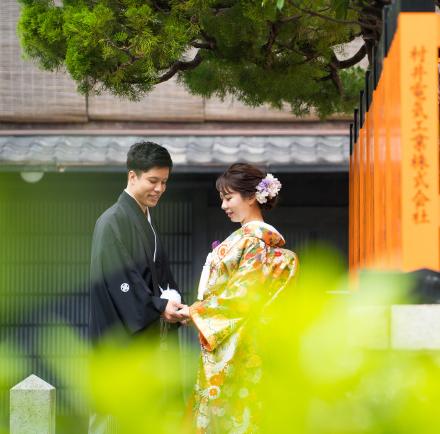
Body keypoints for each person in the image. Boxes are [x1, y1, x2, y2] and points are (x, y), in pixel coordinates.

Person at [184, 163, 299, 434]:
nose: (224, 205)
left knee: (231, 414)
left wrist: (195, 312)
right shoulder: (254, 240)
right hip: (234, 337)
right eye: (222, 199)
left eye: (228, 198)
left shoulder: (253, 242)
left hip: (237, 343)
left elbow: (242, 295)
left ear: (250, 197)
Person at [89, 141, 189, 433]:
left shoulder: (145, 219)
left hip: (146, 342)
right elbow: (122, 280)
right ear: (132, 176)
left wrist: (173, 302)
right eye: (153, 181)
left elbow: (160, 278)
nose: (159, 189)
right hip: (120, 344)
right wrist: (158, 306)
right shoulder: (112, 222)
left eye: (164, 182)